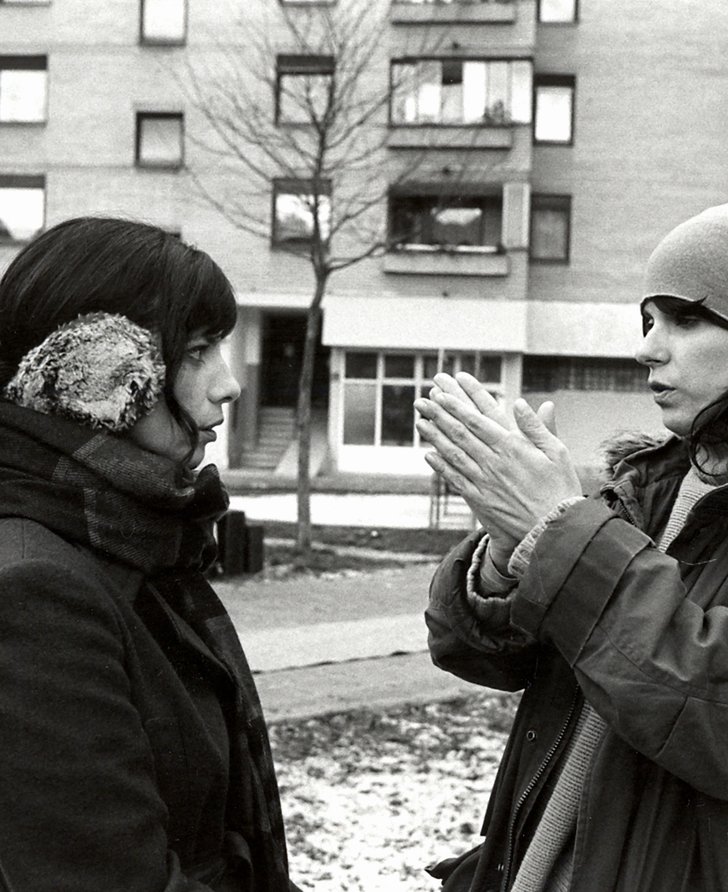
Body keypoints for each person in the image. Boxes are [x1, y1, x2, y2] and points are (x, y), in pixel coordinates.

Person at [414, 202, 728, 891]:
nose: (648, 347)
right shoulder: (643, 490)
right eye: (648, 321)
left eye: (686, 318)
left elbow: (710, 708)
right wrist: (507, 550)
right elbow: (475, 654)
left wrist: (561, 534)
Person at [0, 217, 299, 892]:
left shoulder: (137, 544)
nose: (227, 386)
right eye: (196, 352)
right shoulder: (36, 592)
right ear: (94, 374)